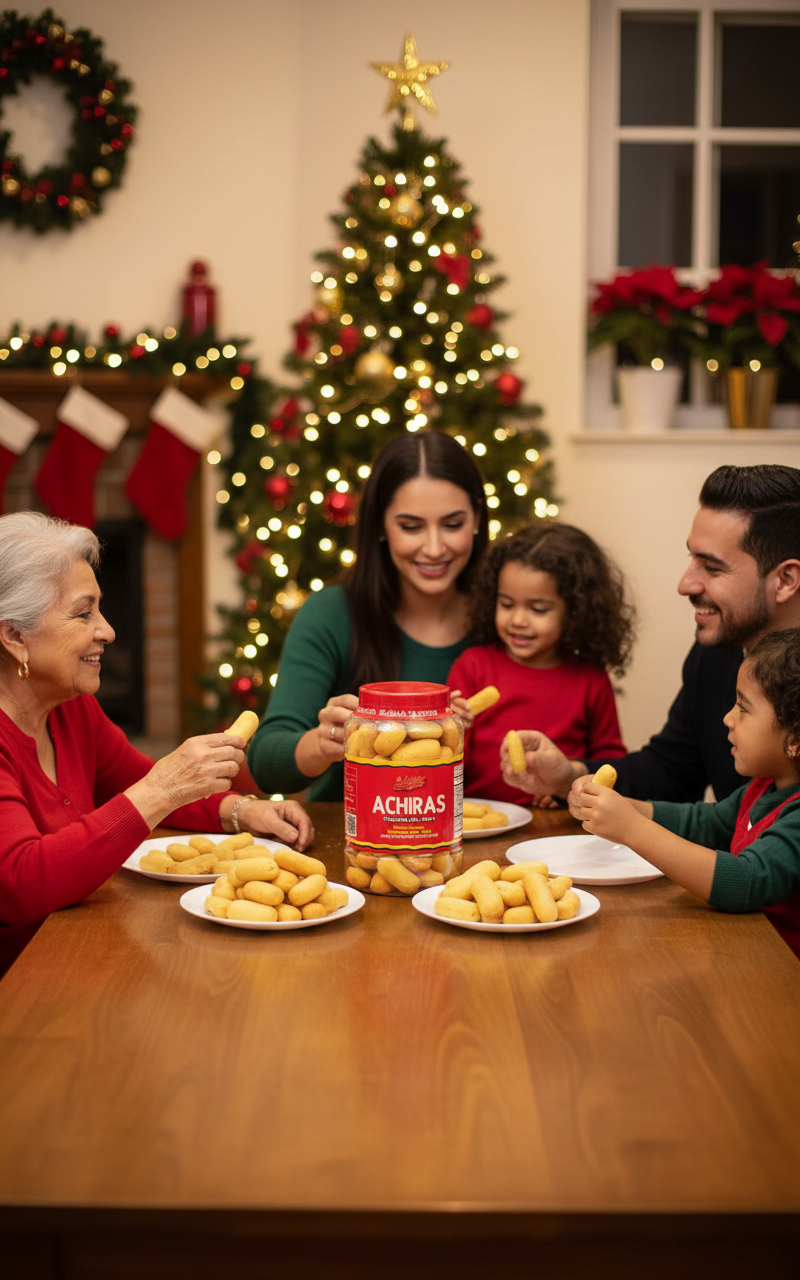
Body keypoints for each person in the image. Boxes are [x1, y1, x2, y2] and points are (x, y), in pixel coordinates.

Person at [0, 513, 313, 972]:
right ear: (14, 636)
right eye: (84, 613)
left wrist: (242, 811)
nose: (106, 631)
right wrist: (162, 787)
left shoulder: (69, 708)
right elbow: (21, 883)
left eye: (100, 610)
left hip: (83, 953)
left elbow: (140, 781)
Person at [500, 464, 800, 805]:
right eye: (692, 558)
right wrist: (570, 774)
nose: (685, 584)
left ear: (786, 580)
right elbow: (672, 772)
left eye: (713, 567)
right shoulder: (718, 652)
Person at [248, 431, 488, 800]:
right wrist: (324, 741)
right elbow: (266, 763)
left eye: (453, 524)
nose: (435, 548)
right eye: (411, 527)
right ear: (379, 526)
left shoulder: (510, 618)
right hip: (356, 842)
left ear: (476, 519)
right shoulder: (332, 614)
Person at [570, 628, 800, 959]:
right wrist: (624, 808)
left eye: (743, 708)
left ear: (795, 740)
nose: (728, 718)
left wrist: (632, 829)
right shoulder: (762, 787)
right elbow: (705, 822)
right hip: (744, 950)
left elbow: (746, 881)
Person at [447, 522, 634, 803]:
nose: (518, 621)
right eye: (507, 604)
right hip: (482, 820)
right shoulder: (472, 666)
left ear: (575, 610)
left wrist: (565, 790)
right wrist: (451, 727)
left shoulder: (591, 680)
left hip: (556, 827)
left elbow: (609, 764)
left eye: (538, 609)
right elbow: (446, 764)